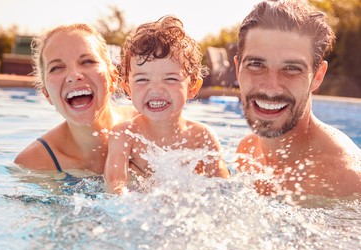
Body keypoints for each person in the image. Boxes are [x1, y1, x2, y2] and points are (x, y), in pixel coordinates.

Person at [233, 0, 361, 197]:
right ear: (237, 68)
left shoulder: (346, 180)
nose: (271, 87)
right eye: (256, 64)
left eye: (292, 69)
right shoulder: (248, 151)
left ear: (318, 76)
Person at [105, 16, 230, 194]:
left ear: (193, 87)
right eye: (142, 79)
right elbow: (114, 188)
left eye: (170, 79)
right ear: (127, 88)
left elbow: (223, 191)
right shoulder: (125, 135)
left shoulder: (202, 137)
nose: (156, 89)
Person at [14, 23, 135, 176]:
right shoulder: (34, 164)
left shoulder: (149, 125)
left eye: (87, 61)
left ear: (112, 78)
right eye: (56, 67)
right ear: (47, 95)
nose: (73, 75)